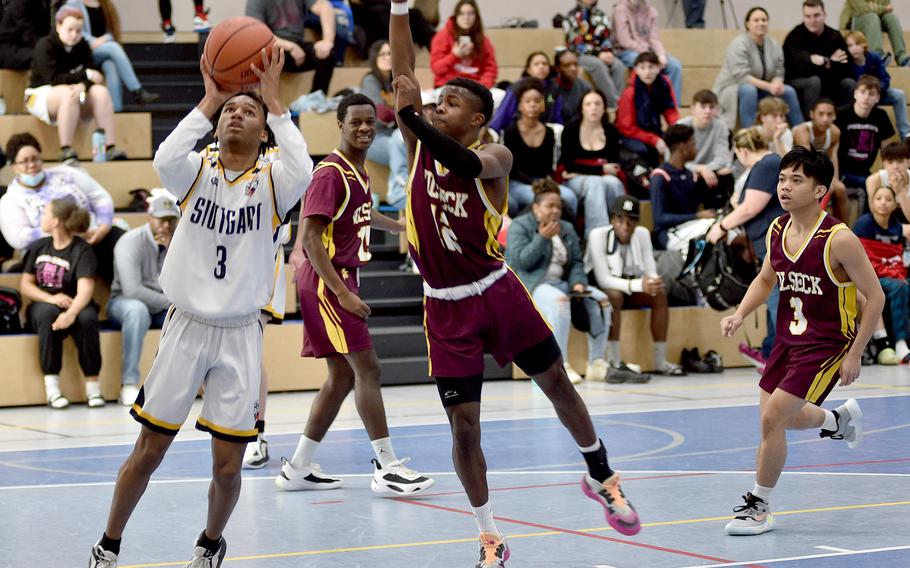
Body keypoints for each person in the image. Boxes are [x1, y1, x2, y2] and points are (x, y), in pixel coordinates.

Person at [390, 3, 641, 566]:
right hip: (445, 308)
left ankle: (602, 474)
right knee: (463, 428)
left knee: (556, 382)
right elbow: (404, 66)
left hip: (496, 292)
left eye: (450, 103)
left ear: (477, 120)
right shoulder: (416, 146)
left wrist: (413, 118)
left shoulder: (495, 155)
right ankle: (489, 534)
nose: (436, 105)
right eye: (435, 101)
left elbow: (463, 160)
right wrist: (400, 9)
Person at [87, 46, 313, 566]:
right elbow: (165, 157)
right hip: (186, 327)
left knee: (229, 467)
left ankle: (211, 543)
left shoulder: (275, 181)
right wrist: (209, 100)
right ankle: (108, 546)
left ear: (265, 133)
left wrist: (276, 102)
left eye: (248, 111)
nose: (238, 113)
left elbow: (303, 164)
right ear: (216, 126)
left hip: (239, 333)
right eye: (231, 110)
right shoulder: (195, 170)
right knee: (149, 451)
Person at [276, 93, 435, 495]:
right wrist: (342, 294)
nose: (365, 128)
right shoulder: (330, 173)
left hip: (334, 279)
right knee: (368, 369)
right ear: (340, 126)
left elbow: (361, 211)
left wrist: (398, 226)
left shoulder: (357, 173)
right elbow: (310, 239)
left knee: (342, 376)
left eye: (370, 122)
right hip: (328, 280)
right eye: (356, 122)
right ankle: (386, 466)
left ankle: (297, 467)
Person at [720, 146, 883, 536]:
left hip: (827, 342)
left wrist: (856, 353)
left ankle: (758, 507)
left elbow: (874, 296)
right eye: (781, 179)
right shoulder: (776, 230)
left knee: (772, 417)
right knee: (777, 422)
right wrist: (740, 313)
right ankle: (838, 420)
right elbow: (764, 280)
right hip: (788, 341)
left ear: (819, 189)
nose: (785, 187)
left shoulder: (838, 239)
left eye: (797, 180)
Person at [506, 179, 613, 383]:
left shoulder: (566, 228)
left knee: (601, 301)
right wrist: (541, 239)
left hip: (561, 284)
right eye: (550, 206)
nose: (555, 211)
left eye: (559, 207)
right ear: (536, 208)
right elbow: (519, 263)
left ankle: (596, 362)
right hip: (532, 285)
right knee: (560, 302)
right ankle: (560, 364)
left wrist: (577, 283)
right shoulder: (520, 226)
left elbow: (575, 261)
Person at [0, 132, 123, 283]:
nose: (31, 165)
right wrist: (68, 234)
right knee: (82, 253)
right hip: (52, 248)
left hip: (93, 234)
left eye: (35, 159)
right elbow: (19, 238)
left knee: (122, 240)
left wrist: (103, 227)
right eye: (24, 161)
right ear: (13, 167)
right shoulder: (10, 199)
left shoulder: (65, 173)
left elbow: (100, 196)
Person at [707, 127, 783, 366]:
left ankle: (777, 352)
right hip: (766, 242)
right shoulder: (763, 166)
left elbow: (751, 207)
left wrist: (721, 227)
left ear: (740, 150)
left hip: (774, 240)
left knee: (778, 296)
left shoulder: (766, 164)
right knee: (775, 294)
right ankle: (772, 349)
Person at [587, 194, 680, 378]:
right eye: (620, 219)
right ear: (612, 219)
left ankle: (660, 360)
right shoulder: (598, 236)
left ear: (637, 222)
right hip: (602, 290)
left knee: (659, 293)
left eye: (631, 220)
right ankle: (615, 360)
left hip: (632, 286)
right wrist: (639, 284)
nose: (625, 225)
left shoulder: (642, 234)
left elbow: (650, 269)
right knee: (614, 295)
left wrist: (652, 283)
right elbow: (603, 279)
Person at [21, 199, 101, 409]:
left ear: (55, 221)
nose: (42, 218)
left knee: (88, 318)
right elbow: (26, 284)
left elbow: (85, 289)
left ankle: (93, 389)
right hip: (45, 303)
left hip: (75, 304)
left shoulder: (81, 250)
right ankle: (53, 389)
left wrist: (71, 313)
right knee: (47, 314)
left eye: (45, 213)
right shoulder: (39, 247)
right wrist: (51, 298)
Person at [27, 6, 126, 164]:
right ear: (58, 26)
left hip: (74, 91)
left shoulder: (83, 45)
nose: (74, 35)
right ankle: (66, 149)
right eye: (70, 29)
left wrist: (83, 85)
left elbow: (94, 75)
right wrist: (83, 77)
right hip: (41, 93)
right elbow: (53, 78)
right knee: (69, 93)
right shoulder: (45, 45)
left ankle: (109, 146)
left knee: (100, 92)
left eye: (78, 31)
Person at [107, 189, 179, 407]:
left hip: (161, 302)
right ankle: (128, 384)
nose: (166, 226)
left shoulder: (179, 243)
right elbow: (132, 291)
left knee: (188, 315)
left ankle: (179, 385)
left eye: (170, 220)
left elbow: (186, 281)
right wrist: (172, 301)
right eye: (161, 220)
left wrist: (171, 250)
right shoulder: (130, 242)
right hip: (123, 303)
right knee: (137, 310)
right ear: (150, 218)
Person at [713, 7, 803, 130]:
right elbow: (742, 77)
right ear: (748, 24)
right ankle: (749, 134)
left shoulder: (773, 44)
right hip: (733, 89)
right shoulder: (738, 44)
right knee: (749, 90)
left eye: (764, 20)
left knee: (788, 91)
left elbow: (779, 70)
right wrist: (769, 86)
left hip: (761, 88)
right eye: (756, 20)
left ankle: (800, 131)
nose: (761, 23)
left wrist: (777, 83)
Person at [853, 183, 910, 364]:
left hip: (892, 274)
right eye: (878, 199)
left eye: (888, 199)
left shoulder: (897, 227)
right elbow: (864, 262)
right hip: (871, 277)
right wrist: (893, 274)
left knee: (903, 284)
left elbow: (897, 258)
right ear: (871, 202)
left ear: (895, 205)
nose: (883, 203)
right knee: (899, 287)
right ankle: (900, 344)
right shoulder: (864, 224)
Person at [502, 80, 577, 218]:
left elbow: (548, 167)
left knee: (570, 197)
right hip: (517, 183)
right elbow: (512, 169)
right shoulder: (510, 131)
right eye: (528, 101)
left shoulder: (549, 132)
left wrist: (545, 184)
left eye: (537, 101)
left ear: (543, 105)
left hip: (543, 182)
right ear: (520, 106)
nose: (532, 105)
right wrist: (536, 184)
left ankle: (566, 234)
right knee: (544, 201)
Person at [71, 0, 160, 112]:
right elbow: (74, 29)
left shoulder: (106, 5)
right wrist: (93, 41)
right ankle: (137, 91)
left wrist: (104, 39)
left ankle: (116, 109)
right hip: (83, 51)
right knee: (113, 48)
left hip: (103, 48)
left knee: (110, 64)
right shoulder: (74, 4)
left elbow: (112, 30)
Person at [559, 89, 624, 235]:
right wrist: (601, 169)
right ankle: (596, 236)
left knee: (614, 183)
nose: (593, 108)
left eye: (597, 104)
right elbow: (569, 166)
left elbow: (614, 166)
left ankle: (621, 232)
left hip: (589, 176)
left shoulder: (611, 130)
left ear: (604, 108)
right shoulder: (570, 129)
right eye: (588, 104)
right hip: (575, 182)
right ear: (582, 108)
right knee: (596, 182)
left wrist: (582, 169)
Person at [246, 0, 336, 95]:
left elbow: (324, 6)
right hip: (273, 46)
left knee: (327, 54)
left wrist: (327, 41)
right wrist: (291, 47)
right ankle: (262, 101)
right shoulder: (256, 2)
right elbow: (258, 33)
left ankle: (315, 98)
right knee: (260, 56)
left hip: (298, 45)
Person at [783, 0, 855, 118]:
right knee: (814, 81)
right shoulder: (795, 36)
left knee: (850, 83)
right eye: (808, 16)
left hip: (829, 82)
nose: (812, 21)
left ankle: (844, 124)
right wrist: (830, 61)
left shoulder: (834, 36)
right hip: (801, 83)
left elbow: (847, 66)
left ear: (824, 15)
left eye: (816, 15)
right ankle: (812, 125)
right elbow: (798, 68)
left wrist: (824, 61)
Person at [650, 124, 715, 250]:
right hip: (669, 235)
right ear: (682, 146)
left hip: (690, 228)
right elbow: (659, 218)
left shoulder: (689, 175)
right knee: (711, 227)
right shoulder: (660, 176)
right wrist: (697, 216)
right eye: (693, 143)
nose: (696, 148)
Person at [360, 40, 409, 208]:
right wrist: (403, 114)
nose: (388, 57)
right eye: (383, 54)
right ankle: (397, 192)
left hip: (395, 136)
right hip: (373, 139)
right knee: (399, 141)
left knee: (410, 146)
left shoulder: (397, 81)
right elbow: (381, 114)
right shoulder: (370, 80)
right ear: (374, 57)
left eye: (390, 53)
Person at [612, 0, 682, 106]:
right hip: (627, 52)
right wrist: (649, 55)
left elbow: (654, 39)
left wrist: (661, 54)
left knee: (675, 65)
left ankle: (672, 106)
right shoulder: (620, 9)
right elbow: (624, 40)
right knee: (647, 65)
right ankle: (648, 104)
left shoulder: (651, 10)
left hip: (649, 51)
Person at [615, 51, 679, 166]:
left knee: (678, 142)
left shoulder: (663, 84)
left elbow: (670, 110)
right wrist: (654, 140)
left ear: (658, 68)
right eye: (642, 68)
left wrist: (677, 128)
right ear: (636, 70)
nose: (647, 72)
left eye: (651, 67)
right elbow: (627, 128)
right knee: (643, 150)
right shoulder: (630, 92)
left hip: (653, 130)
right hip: (630, 135)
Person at [836, 75, 896, 194]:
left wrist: (888, 176)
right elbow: (832, 148)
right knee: (872, 187)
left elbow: (887, 151)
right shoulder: (841, 114)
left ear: (877, 98)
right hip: (844, 172)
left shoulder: (881, 116)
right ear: (855, 94)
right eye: (863, 92)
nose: (866, 97)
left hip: (865, 171)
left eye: (871, 94)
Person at [792, 98, 849, 222]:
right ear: (812, 114)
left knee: (840, 188)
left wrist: (835, 179)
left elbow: (833, 157)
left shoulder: (834, 132)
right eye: (821, 114)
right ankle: (812, 225)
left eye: (829, 115)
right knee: (827, 188)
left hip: (819, 172)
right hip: (798, 172)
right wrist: (826, 181)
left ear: (834, 116)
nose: (825, 119)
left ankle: (842, 228)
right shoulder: (803, 131)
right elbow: (806, 160)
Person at [846, 30, 910, 140]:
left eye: (857, 44)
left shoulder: (874, 57)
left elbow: (885, 77)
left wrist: (877, 90)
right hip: (859, 97)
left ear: (864, 45)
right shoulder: (847, 62)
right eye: (850, 46)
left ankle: (906, 134)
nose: (854, 48)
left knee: (899, 94)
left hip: (877, 92)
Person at [562, 0, 626, 108]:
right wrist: (598, 54)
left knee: (618, 65)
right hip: (580, 55)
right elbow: (575, 43)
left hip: (601, 54)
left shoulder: (602, 15)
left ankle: (620, 103)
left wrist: (607, 51)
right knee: (598, 65)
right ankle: (615, 105)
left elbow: (607, 38)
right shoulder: (571, 16)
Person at [678, 90, 735, 210]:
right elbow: (672, 161)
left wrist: (706, 169)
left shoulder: (721, 126)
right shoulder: (681, 126)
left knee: (726, 173)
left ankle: (718, 215)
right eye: (703, 107)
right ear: (693, 109)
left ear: (717, 110)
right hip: (687, 172)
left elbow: (722, 158)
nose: (708, 111)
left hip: (711, 173)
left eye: (711, 107)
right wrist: (700, 169)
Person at [429, 0, 497, 90]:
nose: (466, 17)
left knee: (501, 96)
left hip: (476, 87)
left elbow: (490, 69)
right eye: (462, 14)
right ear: (455, 16)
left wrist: (483, 86)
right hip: (448, 86)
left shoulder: (483, 40)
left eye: (471, 13)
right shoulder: (442, 36)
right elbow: (436, 69)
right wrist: (454, 55)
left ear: (476, 17)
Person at [489, 51, 561, 133]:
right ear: (528, 69)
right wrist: (494, 132)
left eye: (544, 64)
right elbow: (503, 115)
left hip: (543, 131)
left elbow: (556, 117)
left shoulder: (553, 88)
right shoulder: (517, 87)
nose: (541, 67)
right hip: (517, 131)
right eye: (536, 64)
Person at [840, 0, 909, 67]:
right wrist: (883, 8)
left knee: (892, 18)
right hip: (854, 19)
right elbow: (863, 9)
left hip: (875, 19)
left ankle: (902, 57)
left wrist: (877, 8)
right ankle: (877, 56)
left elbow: (887, 8)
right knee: (872, 17)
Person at [0, 0, 51, 71]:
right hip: (8, 48)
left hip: (29, 46)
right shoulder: (20, 3)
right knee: (44, 57)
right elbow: (29, 34)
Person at [866, 139, 910, 219]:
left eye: (900, 162)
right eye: (890, 162)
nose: (895, 166)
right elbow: (874, 212)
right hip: (884, 222)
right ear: (884, 163)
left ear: (908, 162)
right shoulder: (874, 180)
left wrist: (900, 193)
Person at [552, 49, 593, 125]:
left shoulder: (585, 88)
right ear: (557, 68)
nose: (573, 69)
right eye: (567, 65)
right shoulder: (549, 88)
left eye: (575, 64)